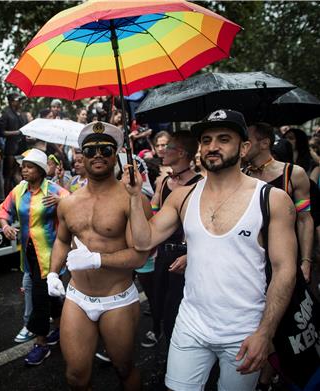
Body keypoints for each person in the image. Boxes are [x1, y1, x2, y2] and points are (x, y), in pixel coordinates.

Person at [124, 109, 297, 391]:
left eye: (223, 139)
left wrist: (265, 333)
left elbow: (284, 270)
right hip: (191, 326)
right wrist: (133, 197)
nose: (212, 146)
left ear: (244, 147)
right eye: (206, 140)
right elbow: (144, 242)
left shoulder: (272, 200)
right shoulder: (183, 196)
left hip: (244, 332)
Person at [47, 121, 151, 390]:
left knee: (123, 368)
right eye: (90, 151)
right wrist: (51, 273)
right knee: (75, 376)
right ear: (81, 155)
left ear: (116, 154)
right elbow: (61, 240)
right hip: (78, 296)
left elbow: (140, 256)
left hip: (117, 299)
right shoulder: (69, 202)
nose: (98, 156)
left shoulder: (133, 199)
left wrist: (98, 259)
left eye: (105, 149)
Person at [0, 148, 69, 365]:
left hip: (49, 252)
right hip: (28, 252)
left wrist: (61, 202)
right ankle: (60, 328)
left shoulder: (54, 189)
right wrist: (5, 226)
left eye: (28, 167)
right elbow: (3, 210)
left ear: (40, 170)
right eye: (23, 167)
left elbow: (76, 205)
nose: (24, 170)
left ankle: (41, 343)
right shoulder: (19, 190)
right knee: (51, 294)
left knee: (39, 297)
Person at [148, 131, 203, 348]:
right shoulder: (164, 182)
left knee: (178, 309)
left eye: (167, 146)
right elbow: (154, 211)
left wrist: (191, 254)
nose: (161, 150)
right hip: (163, 252)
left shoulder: (200, 184)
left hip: (186, 257)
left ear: (180, 153)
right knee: (159, 302)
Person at [245, 122, 314, 283]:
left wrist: (306, 261)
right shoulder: (243, 175)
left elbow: (305, 219)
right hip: (250, 261)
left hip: (285, 258)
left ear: (264, 143)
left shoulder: (293, 174)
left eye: (247, 140)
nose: (243, 145)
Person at [0, 92, 28, 194]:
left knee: (19, 172)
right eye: (17, 100)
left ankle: (20, 195)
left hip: (22, 147)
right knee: (9, 174)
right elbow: (1, 132)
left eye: (20, 100)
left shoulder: (22, 114)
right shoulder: (6, 114)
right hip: (11, 148)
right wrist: (17, 132)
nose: (20, 102)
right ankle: (7, 198)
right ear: (11, 102)